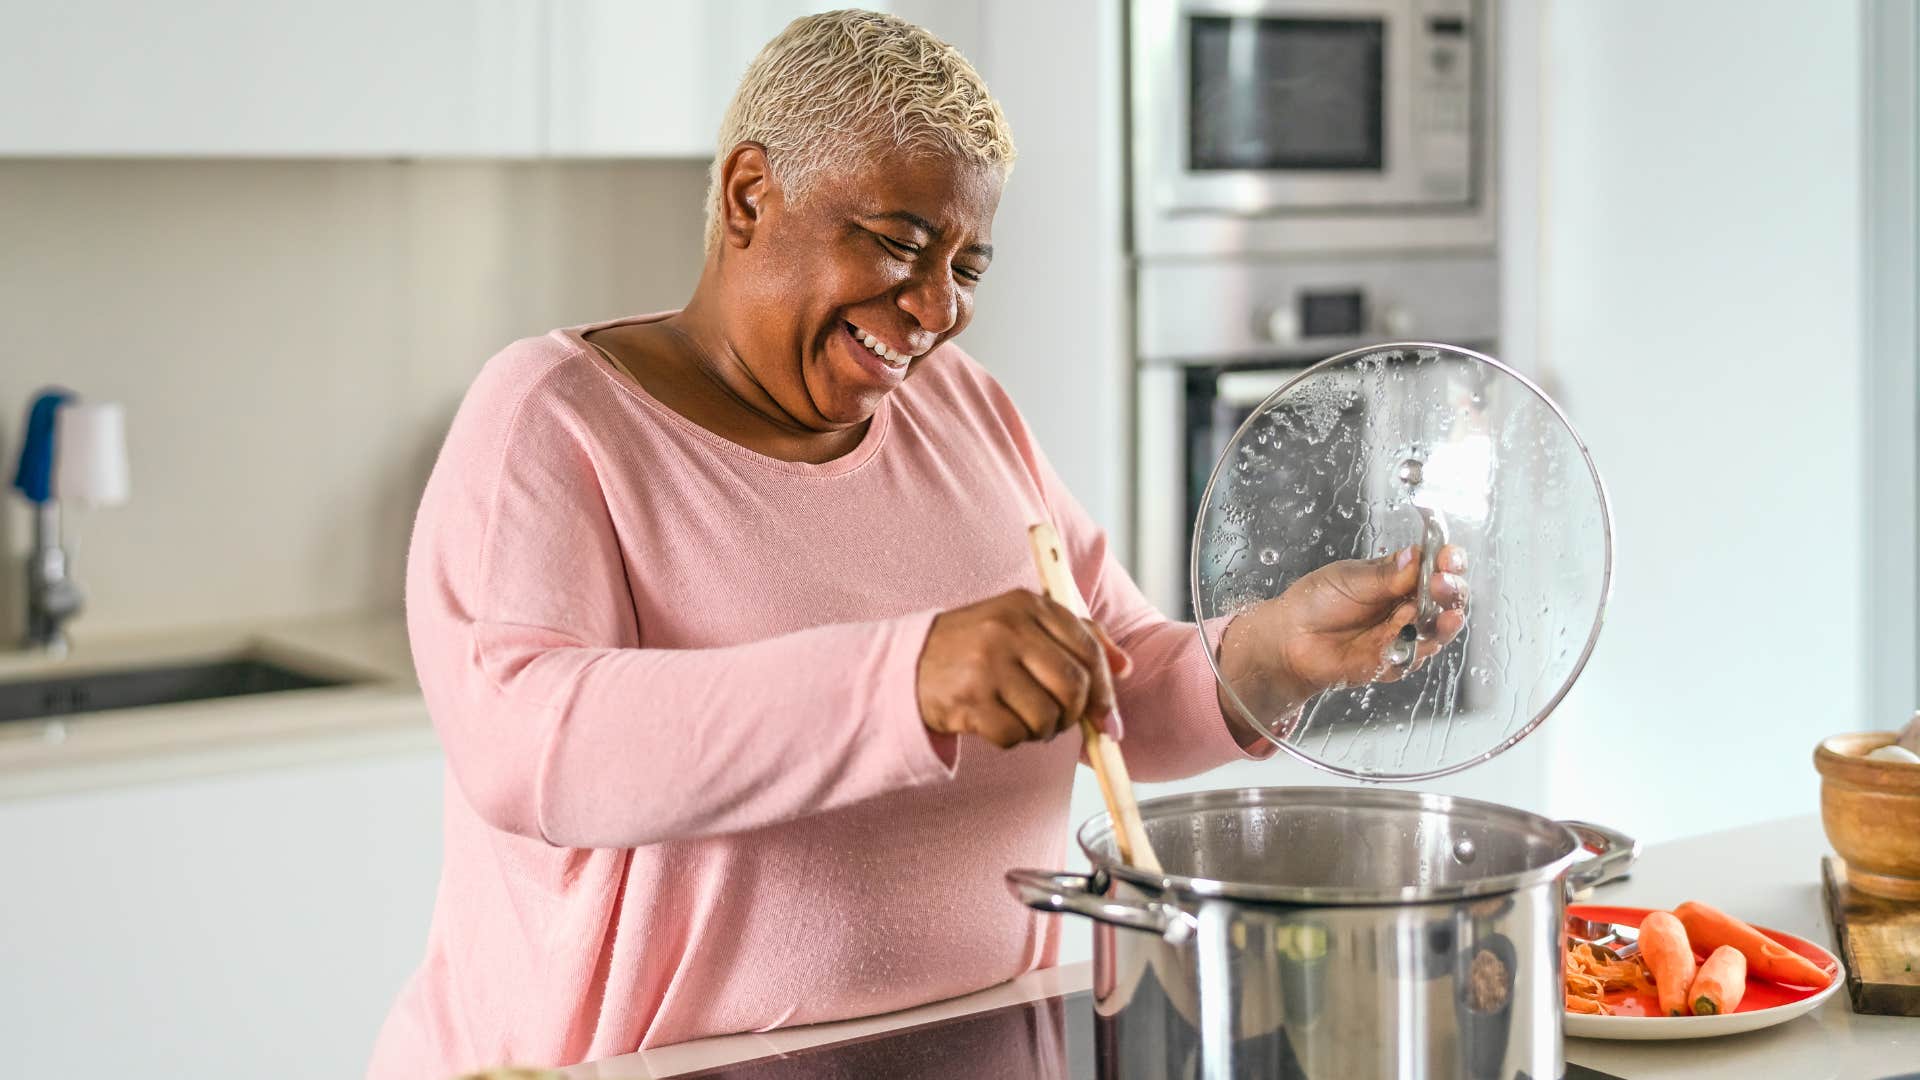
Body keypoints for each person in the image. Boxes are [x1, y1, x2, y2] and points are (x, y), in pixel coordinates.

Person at [367, 10, 1464, 1077]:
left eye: (969, 267)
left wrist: (1269, 656)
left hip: (984, 1046)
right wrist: (905, 679)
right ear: (753, 194)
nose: (937, 307)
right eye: (898, 243)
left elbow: (1105, 683)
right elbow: (534, 747)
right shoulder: (557, 417)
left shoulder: (963, 410)